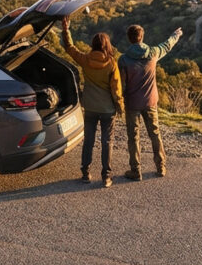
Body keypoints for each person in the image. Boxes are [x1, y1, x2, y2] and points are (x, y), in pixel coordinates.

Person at [61, 17, 125, 188]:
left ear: (93, 44)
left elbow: (69, 48)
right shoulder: (112, 63)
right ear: (106, 45)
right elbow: (116, 89)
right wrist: (120, 108)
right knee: (107, 142)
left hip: (89, 106)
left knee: (88, 140)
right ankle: (106, 176)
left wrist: (66, 29)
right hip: (107, 109)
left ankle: (85, 173)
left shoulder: (85, 60)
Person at [118, 24, 182, 180]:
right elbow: (167, 45)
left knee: (133, 137)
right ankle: (160, 167)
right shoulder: (153, 53)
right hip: (150, 101)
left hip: (132, 103)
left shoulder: (124, 60)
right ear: (142, 37)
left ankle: (135, 170)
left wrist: (120, 101)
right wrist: (176, 34)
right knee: (155, 133)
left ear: (129, 38)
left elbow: (122, 85)